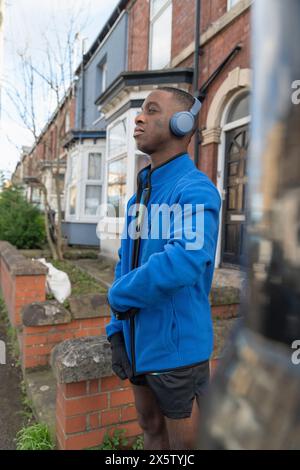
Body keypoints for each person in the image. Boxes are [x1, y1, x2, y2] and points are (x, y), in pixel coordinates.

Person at [106, 87, 221, 450]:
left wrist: (118, 296)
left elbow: (184, 260)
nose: (137, 118)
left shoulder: (196, 190)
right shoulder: (138, 198)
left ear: (182, 123)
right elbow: (124, 262)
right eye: (139, 110)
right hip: (139, 344)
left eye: (151, 110)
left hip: (178, 355)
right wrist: (115, 331)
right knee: (149, 425)